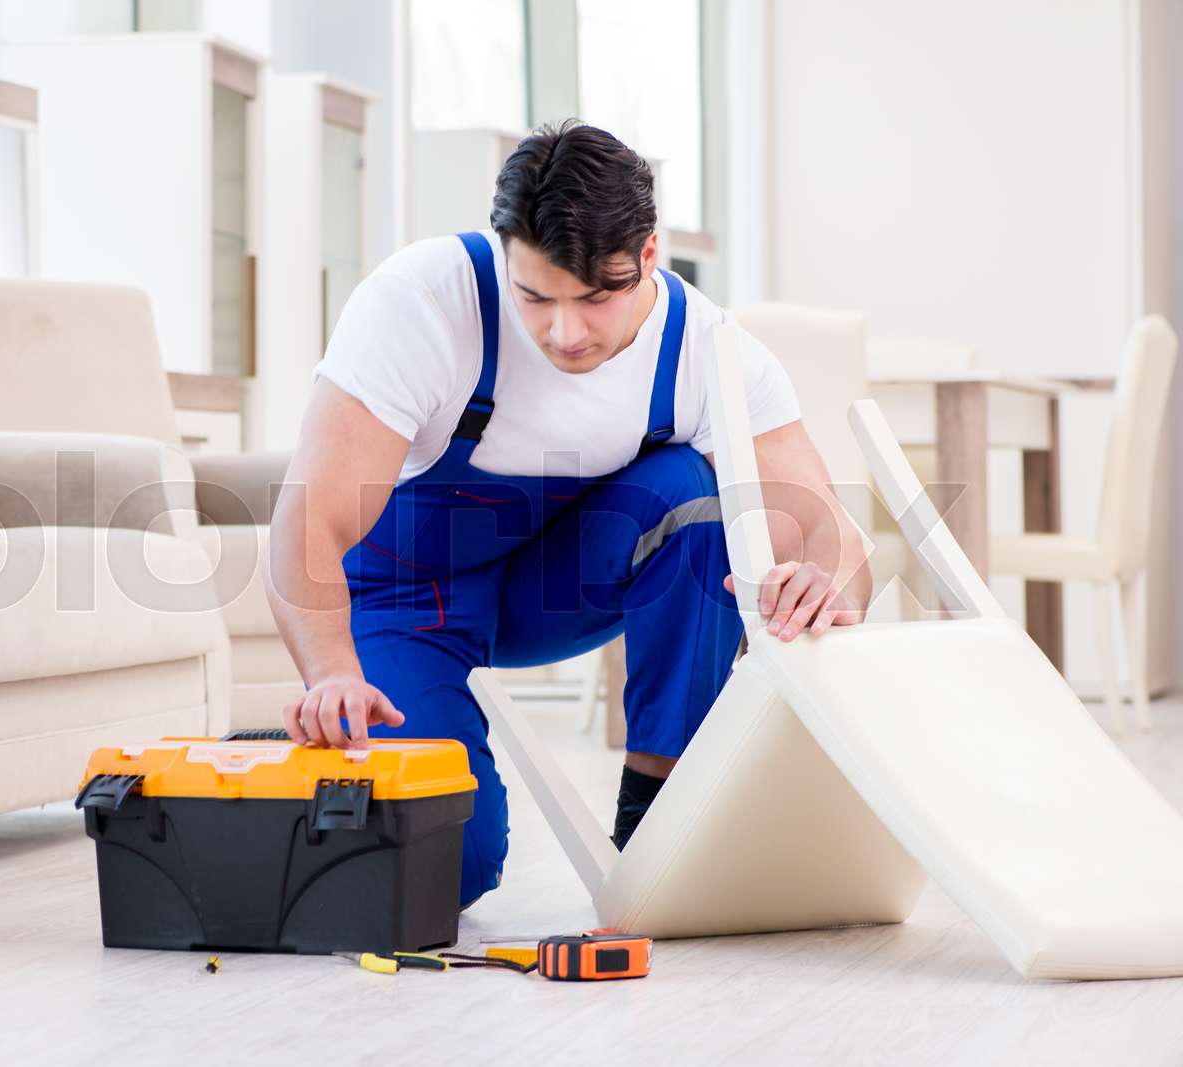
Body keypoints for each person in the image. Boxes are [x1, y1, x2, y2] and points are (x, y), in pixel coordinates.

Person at [265, 120, 870, 908]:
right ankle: (277, 773)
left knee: (695, 492)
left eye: (598, 297)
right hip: (410, 599)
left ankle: (658, 825)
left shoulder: (709, 350)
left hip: (552, 588)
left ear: (650, 254)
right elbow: (307, 523)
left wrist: (827, 579)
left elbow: (831, 530)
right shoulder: (422, 301)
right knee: (442, 863)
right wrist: (333, 673)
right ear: (505, 252)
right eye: (536, 296)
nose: (566, 331)